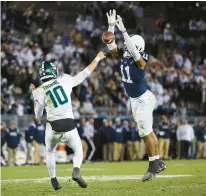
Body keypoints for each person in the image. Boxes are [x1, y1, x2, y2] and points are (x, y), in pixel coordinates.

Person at [105, 10, 166, 182]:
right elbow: (113, 48)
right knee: (148, 132)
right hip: (136, 99)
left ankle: (153, 165)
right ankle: (158, 161)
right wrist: (111, 28)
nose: (126, 46)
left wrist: (124, 32)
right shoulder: (125, 55)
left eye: (130, 44)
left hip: (143, 99)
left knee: (146, 133)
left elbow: (138, 58)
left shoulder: (140, 59)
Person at [31, 51, 105, 190]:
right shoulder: (64, 79)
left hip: (53, 127)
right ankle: (76, 170)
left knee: (50, 152)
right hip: (69, 125)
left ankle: (53, 179)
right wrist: (97, 58)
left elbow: (38, 114)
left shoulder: (39, 91)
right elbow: (84, 73)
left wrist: (35, 99)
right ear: (54, 71)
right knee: (79, 151)